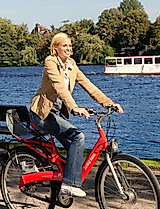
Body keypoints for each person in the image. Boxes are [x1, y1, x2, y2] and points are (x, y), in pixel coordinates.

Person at [29, 32, 123, 198]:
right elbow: (60, 87)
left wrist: (108, 103)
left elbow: (88, 85)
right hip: (42, 114)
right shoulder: (50, 62)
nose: (68, 48)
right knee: (78, 137)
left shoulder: (71, 65)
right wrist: (74, 107)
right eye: (64, 45)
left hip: (56, 114)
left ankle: (63, 182)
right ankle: (69, 184)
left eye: (70, 45)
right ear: (55, 48)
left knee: (74, 146)